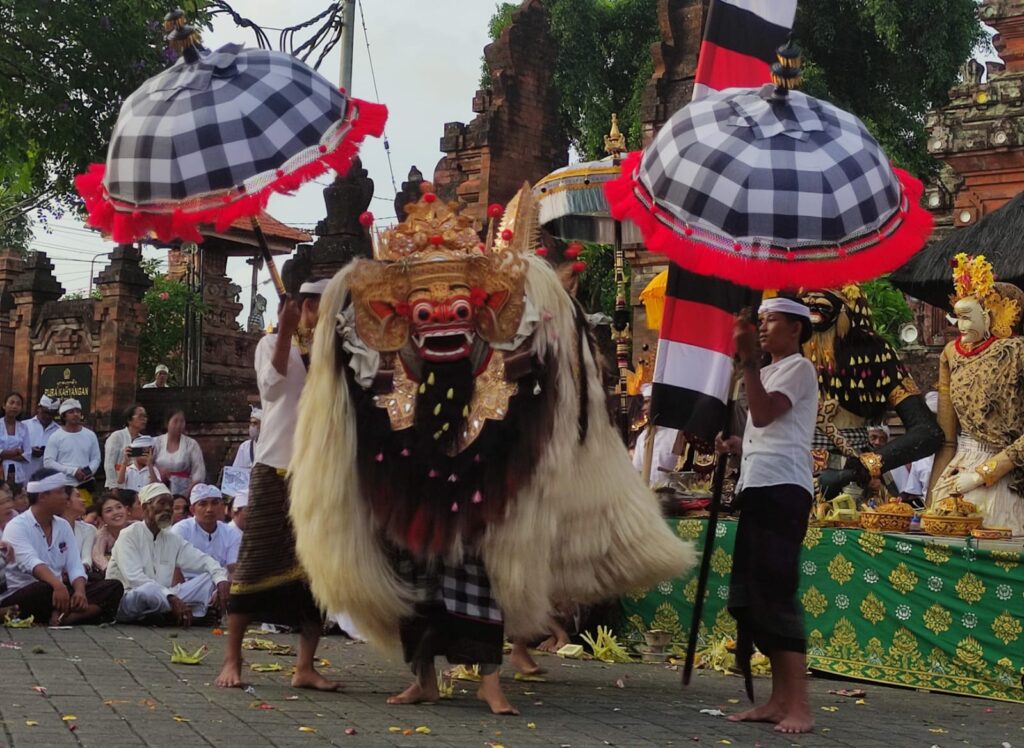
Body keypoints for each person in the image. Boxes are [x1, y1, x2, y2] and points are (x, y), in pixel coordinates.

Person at [216, 278, 339, 692]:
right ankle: (234, 658)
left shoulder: (334, 350)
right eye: (322, 306)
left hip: (316, 469)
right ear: (305, 306)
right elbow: (271, 387)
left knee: (313, 571)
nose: (329, 314)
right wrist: (285, 331)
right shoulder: (270, 343)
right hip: (274, 466)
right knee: (255, 560)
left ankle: (305, 666)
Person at [715, 297, 818, 734]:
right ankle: (778, 701)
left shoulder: (798, 367)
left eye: (770, 319)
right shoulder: (770, 370)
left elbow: (762, 411)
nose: (762, 326)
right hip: (757, 486)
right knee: (756, 597)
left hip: (783, 489)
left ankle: (800, 706)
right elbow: (764, 429)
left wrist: (749, 365)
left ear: (795, 328)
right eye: (760, 320)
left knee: (776, 593)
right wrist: (739, 445)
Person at [930, 255, 1024, 534]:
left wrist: (984, 474)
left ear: (989, 315)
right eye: (956, 318)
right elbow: (946, 441)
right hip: (958, 467)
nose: (960, 327)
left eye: (967, 318)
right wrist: (931, 497)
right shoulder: (950, 354)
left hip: (1007, 477)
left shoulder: (1018, 353)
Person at [0, 469, 123, 625]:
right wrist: (57, 585)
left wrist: (79, 591)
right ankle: (70, 613)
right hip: (30, 591)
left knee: (114, 587)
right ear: (43, 496)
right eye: (61, 492)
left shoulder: (63, 526)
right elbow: (32, 564)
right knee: (42, 589)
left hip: (60, 590)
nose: (66, 497)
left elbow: (74, 564)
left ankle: (65, 617)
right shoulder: (17, 526)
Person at [107, 482, 230, 626]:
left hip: (164, 597)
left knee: (210, 576)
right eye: (162, 503)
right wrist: (170, 597)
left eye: (170, 504)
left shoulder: (172, 538)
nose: (167, 508)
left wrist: (221, 580)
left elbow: (204, 560)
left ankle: (167, 615)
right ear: (146, 507)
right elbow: (134, 578)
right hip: (129, 599)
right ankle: (182, 615)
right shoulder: (129, 534)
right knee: (146, 591)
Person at [171, 484, 240, 580]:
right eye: (203, 504)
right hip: (187, 586)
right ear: (192, 510)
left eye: (215, 503)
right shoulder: (181, 530)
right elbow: (173, 568)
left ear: (222, 507)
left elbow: (233, 568)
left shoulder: (231, 533)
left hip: (221, 583)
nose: (209, 509)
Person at [42, 399, 101, 502]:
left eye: (78, 411)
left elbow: (96, 458)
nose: (76, 414)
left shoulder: (90, 435)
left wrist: (87, 472)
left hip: (85, 485)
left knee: (85, 513)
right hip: (64, 486)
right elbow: (48, 462)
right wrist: (73, 472)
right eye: (71, 412)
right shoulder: (56, 436)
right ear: (64, 416)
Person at [631, 383, 681, 485]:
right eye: (642, 404)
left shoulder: (677, 432)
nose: (643, 408)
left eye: (647, 402)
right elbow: (636, 471)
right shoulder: (643, 437)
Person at [153, 410, 205, 496]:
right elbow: (146, 464)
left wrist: (188, 493)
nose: (179, 425)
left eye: (182, 421)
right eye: (175, 421)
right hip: (158, 488)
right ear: (167, 423)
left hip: (184, 489)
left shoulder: (191, 444)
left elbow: (199, 472)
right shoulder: (156, 442)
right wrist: (158, 472)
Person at [104, 404, 148, 496]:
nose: (144, 419)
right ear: (129, 419)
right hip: (119, 485)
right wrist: (113, 487)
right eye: (140, 416)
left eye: (145, 416)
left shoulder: (145, 440)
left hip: (137, 486)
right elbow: (109, 464)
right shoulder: (117, 436)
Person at [92, 494, 134, 573]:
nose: (116, 512)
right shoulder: (102, 534)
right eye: (109, 511)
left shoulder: (137, 527)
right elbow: (97, 556)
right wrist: (112, 571)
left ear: (126, 510)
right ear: (101, 518)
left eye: (119, 507)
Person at [24, 395, 61, 480]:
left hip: (48, 480)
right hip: (24, 476)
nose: (48, 416)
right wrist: (29, 451)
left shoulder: (59, 431)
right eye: (45, 412)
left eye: (52, 414)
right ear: (38, 408)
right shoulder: (24, 426)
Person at [62, 485, 97, 573]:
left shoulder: (89, 529)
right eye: (78, 496)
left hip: (80, 575)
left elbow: (86, 558)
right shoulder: (48, 527)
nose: (83, 500)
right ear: (66, 501)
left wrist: (82, 569)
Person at [0, 393, 32, 485]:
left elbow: (27, 454)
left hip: (17, 474)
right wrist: (14, 452)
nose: (14, 406)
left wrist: (4, 455)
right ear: (4, 405)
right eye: (11, 402)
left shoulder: (23, 427)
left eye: (18, 404)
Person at [231, 407, 262, 471]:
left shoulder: (271, 446)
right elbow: (236, 471)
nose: (252, 426)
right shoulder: (244, 447)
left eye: (255, 423)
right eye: (251, 423)